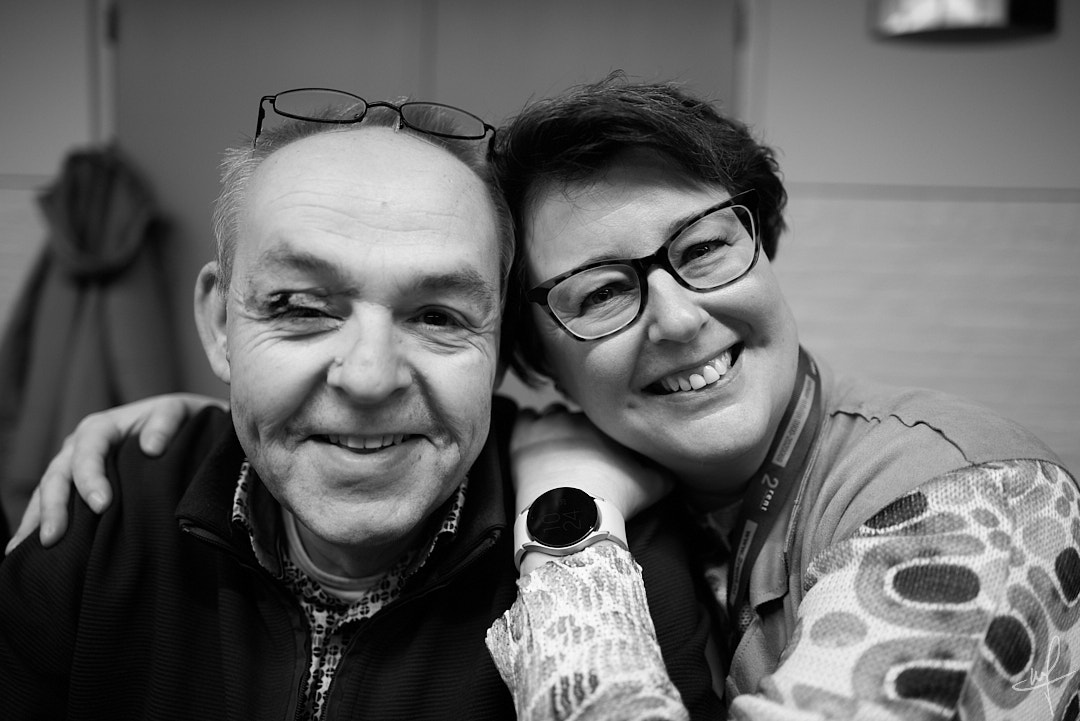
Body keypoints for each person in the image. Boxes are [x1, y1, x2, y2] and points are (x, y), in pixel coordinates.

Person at [12, 77, 1080, 719]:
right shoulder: (116, 513)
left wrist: (568, 516)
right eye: (601, 292)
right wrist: (217, 424)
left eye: (705, 246)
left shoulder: (976, 504)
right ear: (538, 364)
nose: (677, 318)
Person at [0, 88, 722, 720]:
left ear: (500, 346)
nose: (370, 378)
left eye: (437, 316)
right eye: (302, 307)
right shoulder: (104, 519)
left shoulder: (618, 566)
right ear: (222, 325)